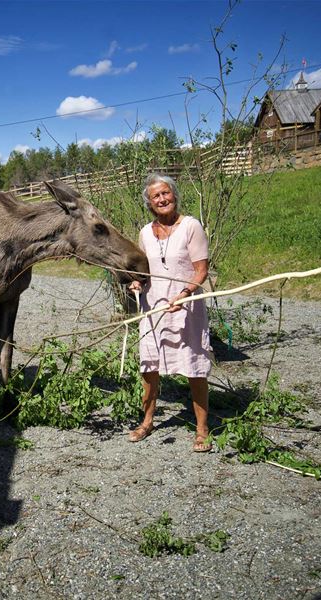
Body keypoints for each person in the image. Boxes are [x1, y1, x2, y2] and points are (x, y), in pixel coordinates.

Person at [127, 174, 213, 452]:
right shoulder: (144, 232)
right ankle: (147, 421)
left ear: (174, 195)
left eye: (166, 193)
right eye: (156, 196)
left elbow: (201, 270)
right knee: (149, 367)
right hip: (153, 309)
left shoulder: (191, 227)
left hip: (186, 308)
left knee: (194, 367)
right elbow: (144, 270)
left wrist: (184, 294)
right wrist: (137, 282)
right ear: (149, 203)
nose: (162, 199)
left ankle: (202, 429)